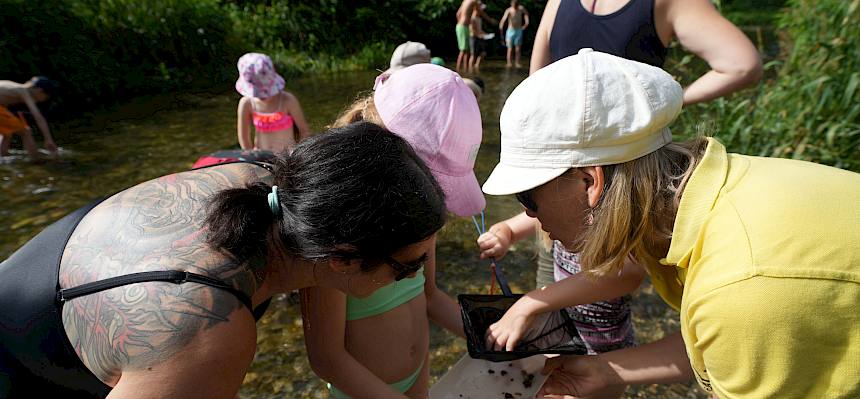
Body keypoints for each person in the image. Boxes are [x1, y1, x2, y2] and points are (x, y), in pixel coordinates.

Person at [482, 49, 860, 398]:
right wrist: (604, 370)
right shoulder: (700, 201)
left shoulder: (738, 286)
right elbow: (711, 345)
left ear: (589, 182)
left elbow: (736, 321)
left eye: (527, 197)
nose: (529, 215)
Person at [0, 122, 448, 398]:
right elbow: (190, 363)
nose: (412, 276)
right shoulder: (209, 335)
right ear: (344, 259)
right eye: (406, 267)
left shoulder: (279, 188)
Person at [303, 64, 484, 399]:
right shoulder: (337, 230)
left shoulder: (419, 219)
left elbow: (429, 295)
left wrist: (491, 339)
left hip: (418, 378)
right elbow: (327, 359)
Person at [529, 0, 762, 105]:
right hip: (629, 161)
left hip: (562, 160)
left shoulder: (557, 2)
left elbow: (534, 86)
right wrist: (669, 99)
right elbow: (742, 65)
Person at [236, 53, 310, 154]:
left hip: (288, 156)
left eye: (265, 92)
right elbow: (244, 136)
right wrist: (250, 156)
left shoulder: (287, 100)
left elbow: (304, 131)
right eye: (258, 93)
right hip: (261, 157)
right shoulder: (247, 103)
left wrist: (298, 153)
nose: (262, 96)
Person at [0, 76, 58, 159]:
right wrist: (48, 139)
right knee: (25, 131)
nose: (44, 100)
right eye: (46, 97)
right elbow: (38, 116)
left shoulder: (15, 87)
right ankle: (36, 160)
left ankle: (3, 158)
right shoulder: (23, 91)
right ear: (40, 91)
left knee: (7, 133)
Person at [455, 0, 496, 71]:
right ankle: (458, 70)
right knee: (463, 50)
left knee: (466, 50)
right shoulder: (473, 1)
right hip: (463, 27)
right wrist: (490, 20)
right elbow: (481, 12)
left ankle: (465, 69)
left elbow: (458, 14)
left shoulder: (465, 1)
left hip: (460, 26)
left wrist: (461, 23)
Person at [499, 0, 530, 68]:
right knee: (510, 48)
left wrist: (526, 22)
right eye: (514, 6)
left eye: (516, 6)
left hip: (518, 30)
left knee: (518, 48)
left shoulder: (521, 8)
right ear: (512, 5)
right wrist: (501, 25)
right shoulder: (509, 10)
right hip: (510, 31)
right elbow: (504, 18)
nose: (515, 7)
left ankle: (517, 62)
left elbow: (526, 14)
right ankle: (509, 63)